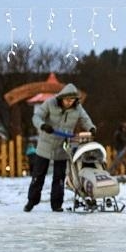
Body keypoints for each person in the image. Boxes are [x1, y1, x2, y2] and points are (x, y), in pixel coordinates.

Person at [24, 83, 96, 212]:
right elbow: (36, 116)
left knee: (59, 177)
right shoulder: (50, 103)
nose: (69, 102)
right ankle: (31, 201)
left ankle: (56, 204)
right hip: (45, 144)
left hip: (62, 146)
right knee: (38, 175)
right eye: (67, 100)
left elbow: (85, 119)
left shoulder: (77, 108)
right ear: (61, 98)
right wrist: (43, 126)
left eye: (72, 100)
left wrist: (91, 128)